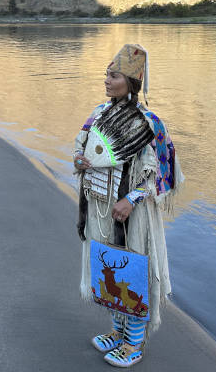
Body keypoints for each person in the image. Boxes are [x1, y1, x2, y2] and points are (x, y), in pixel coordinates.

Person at [73, 44, 183, 367]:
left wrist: (131, 199)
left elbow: (161, 172)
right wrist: (80, 160)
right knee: (108, 268)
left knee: (131, 272)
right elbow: (81, 148)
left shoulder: (148, 123)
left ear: (132, 81)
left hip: (131, 215)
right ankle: (117, 331)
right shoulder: (98, 113)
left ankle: (134, 342)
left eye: (114, 75)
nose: (107, 80)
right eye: (106, 74)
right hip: (99, 208)